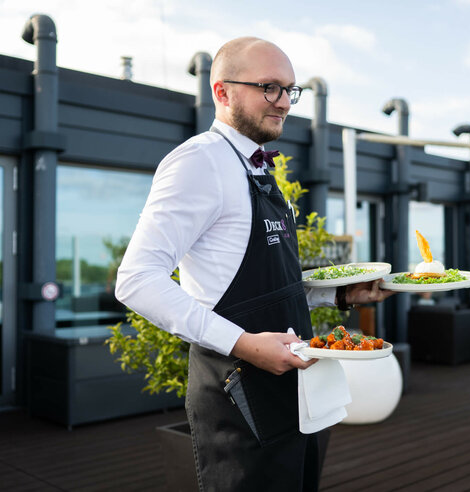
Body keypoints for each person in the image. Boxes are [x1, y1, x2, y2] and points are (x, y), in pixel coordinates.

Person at [115, 36, 392, 491]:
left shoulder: (257, 168)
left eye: (289, 89)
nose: (284, 102)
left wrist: (340, 294)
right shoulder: (198, 162)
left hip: (298, 391)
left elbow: (267, 284)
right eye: (269, 87)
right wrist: (242, 343)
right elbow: (136, 280)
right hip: (240, 393)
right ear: (222, 92)